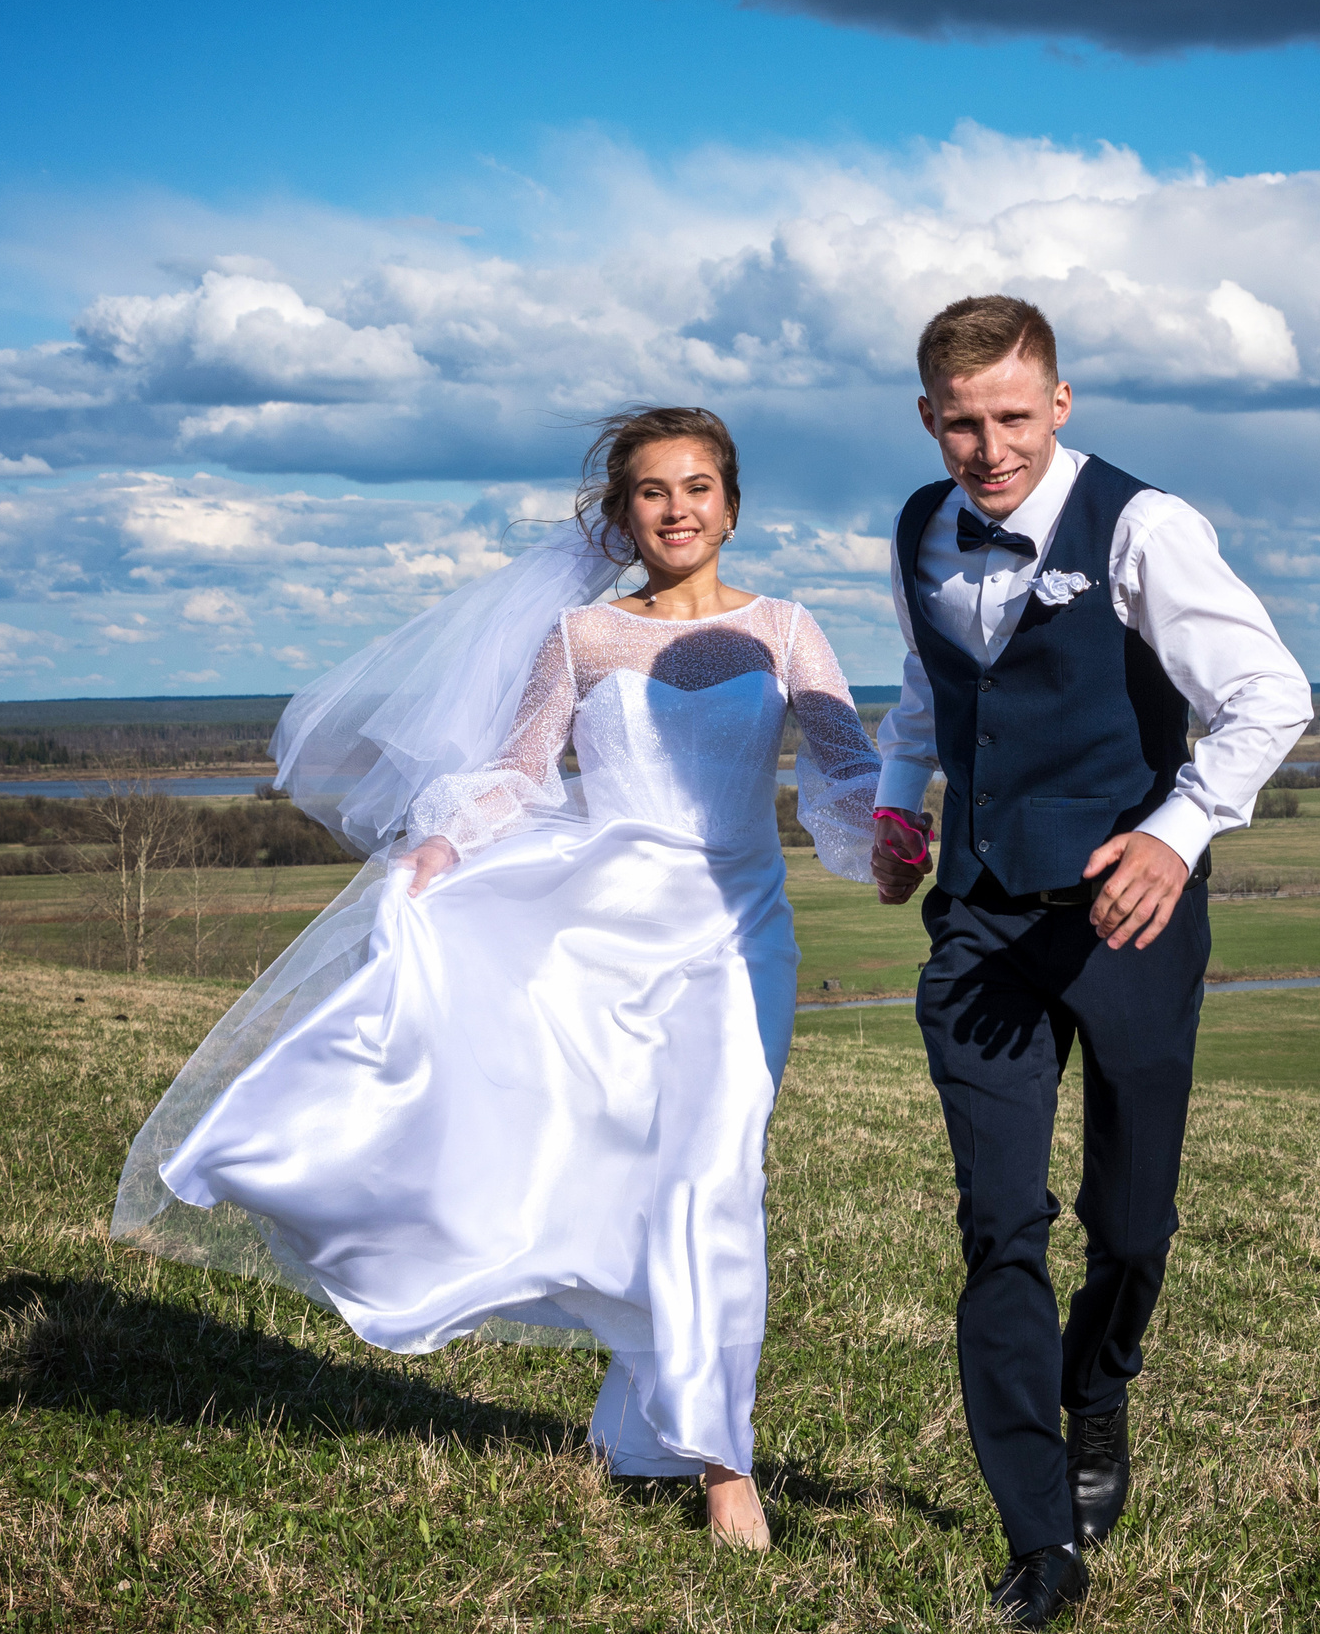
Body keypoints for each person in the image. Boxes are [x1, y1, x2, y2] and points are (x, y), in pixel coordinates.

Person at [112, 406, 882, 1551]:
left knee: (714, 1173)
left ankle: (721, 1460)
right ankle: (658, 1423)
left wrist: (892, 840)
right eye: (653, 492)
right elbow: (520, 773)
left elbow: (847, 766)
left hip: (735, 935)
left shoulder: (784, 628)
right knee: (628, 1172)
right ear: (623, 515)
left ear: (733, 502)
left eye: (699, 487)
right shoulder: (579, 636)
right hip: (597, 931)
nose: (678, 509)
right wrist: (439, 847)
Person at [868, 297, 1314, 1627]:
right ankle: (1039, 1528)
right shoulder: (916, 526)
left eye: (1013, 417)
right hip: (984, 927)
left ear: (1060, 405)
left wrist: (1174, 838)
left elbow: (1269, 695)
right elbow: (921, 684)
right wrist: (902, 800)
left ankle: (1100, 1378)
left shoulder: (1144, 527)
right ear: (929, 417)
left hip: (1131, 919)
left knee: (1130, 1227)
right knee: (999, 1225)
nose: (988, 448)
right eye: (962, 422)